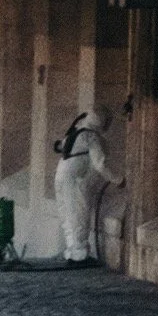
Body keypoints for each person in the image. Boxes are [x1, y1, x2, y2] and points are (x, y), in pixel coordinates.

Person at [53, 108, 121, 264]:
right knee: (79, 214)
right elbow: (100, 164)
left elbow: (60, 146)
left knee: (68, 216)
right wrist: (117, 179)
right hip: (75, 179)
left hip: (61, 175)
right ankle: (80, 255)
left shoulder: (76, 132)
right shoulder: (91, 137)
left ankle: (73, 251)